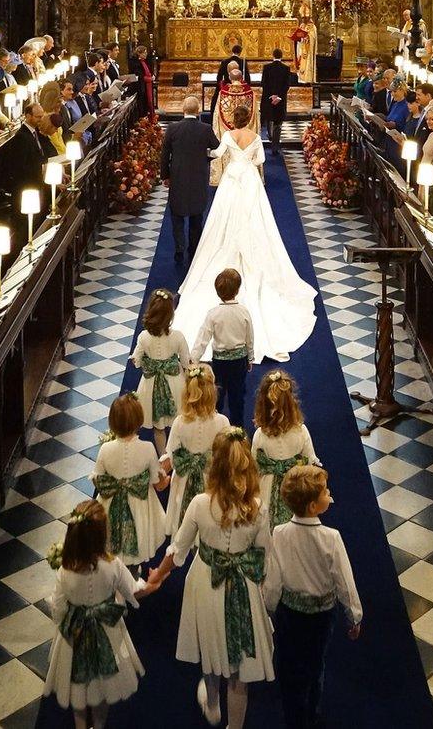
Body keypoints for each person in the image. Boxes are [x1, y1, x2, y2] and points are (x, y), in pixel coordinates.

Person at [145, 430, 274, 727]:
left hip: (205, 582)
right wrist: (266, 597)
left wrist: (158, 576)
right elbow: (265, 557)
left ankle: (213, 704)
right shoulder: (258, 508)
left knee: (210, 643)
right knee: (240, 663)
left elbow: (177, 550)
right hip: (244, 585)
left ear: (214, 466)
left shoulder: (201, 504)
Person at [178, 110, 317, 365]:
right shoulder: (254, 136)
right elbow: (260, 160)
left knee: (224, 222)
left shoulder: (229, 135)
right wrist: (246, 161)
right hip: (249, 182)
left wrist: (205, 155)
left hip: (231, 181)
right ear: (249, 119)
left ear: (233, 120)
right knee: (255, 222)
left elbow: (217, 154)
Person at [265, 464, 362, 729]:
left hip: (289, 613)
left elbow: (274, 579)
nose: (329, 494)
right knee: (315, 662)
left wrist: (268, 607)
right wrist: (353, 615)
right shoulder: (331, 537)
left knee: (288, 662)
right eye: (325, 492)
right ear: (312, 506)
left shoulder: (280, 533)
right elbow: (345, 580)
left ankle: (292, 715)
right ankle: (312, 712)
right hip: (322, 616)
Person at [43, 499, 152, 726]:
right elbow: (133, 590)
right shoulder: (113, 565)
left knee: (79, 689)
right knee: (103, 686)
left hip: (75, 634)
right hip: (107, 632)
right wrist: (154, 582)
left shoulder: (65, 570)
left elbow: (59, 607)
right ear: (102, 534)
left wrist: (64, 624)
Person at [92, 393, 168, 568]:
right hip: (140, 507)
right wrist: (166, 480)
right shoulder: (147, 448)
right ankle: (133, 576)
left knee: (110, 544)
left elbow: (97, 479)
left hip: (110, 506)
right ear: (139, 420)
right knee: (139, 538)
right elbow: (158, 482)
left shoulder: (105, 449)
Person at [161, 364, 230, 533]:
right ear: (213, 391)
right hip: (211, 482)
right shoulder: (222, 422)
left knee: (183, 522)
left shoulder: (179, 422)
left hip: (183, 482)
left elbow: (170, 456)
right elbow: (227, 459)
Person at [251, 370, 319, 530]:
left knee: (266, 526)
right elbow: (310, 462)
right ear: (292, 403)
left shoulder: (260, 435)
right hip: (295, 488)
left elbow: (253, 467)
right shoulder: (301, 431)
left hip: (266, 489)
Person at [190, 268, 255, 425]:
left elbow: (203, 338)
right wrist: (250, 357)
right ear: (238, 290)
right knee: (237, 396)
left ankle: (215, 425)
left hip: (219, 362)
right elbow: (249, 337)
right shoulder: (244, 311)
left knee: (217, 393)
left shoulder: (213, 313)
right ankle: (237, 429)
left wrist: (194, 358)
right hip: (239, 360)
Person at [130, 288, 190, 453]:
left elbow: (136, 361)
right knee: (179, 421)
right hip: (175, 384)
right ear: (171, 314)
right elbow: (186, 362)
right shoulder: (178, 336)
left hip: (150, 385)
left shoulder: (143, 336)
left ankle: (163, 455)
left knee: (159, 426)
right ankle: (178, 452)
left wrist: (140, 360)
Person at [161, 96, 220, 264]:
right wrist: (204, 159)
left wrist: (165, 176)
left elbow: (165, 155)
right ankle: (194, 249)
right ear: (198, 111)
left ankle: (179, 248)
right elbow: (216, 147)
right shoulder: (205, 129)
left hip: (177, 177)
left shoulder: (172, 129)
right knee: (196, 215)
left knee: (177, 215)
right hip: (198, 177)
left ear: (183, 110)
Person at [212, 60, 258, 138]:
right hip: (245, 133)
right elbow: (255, 113)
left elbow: (217, 112)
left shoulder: (223, 92)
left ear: (229, 76)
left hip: (227, 131)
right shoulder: (250, 92)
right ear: (241, 77)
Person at [260, 48, 292, 155]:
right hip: (280, 101)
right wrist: (279, 97)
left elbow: (264, 83)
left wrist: (271, 96)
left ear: (273, 56)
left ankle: (270, 136)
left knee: (269, 118)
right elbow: (286, 85)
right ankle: (275, 147)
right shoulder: (286, 68)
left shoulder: (267, 67)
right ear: (281, 56)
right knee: (278, 123)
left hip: (268, 99)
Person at [129, 43, 155, 119]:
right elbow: (139, 75)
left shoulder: (145, 61)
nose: (146, 54)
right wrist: (149, 78)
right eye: (144, 52)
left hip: (148, 85)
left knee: (149, 103)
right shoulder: (134, 62)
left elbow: (148, 72)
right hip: (140, 87)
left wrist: (152, 75)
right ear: (139, 53)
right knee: (142, 105)